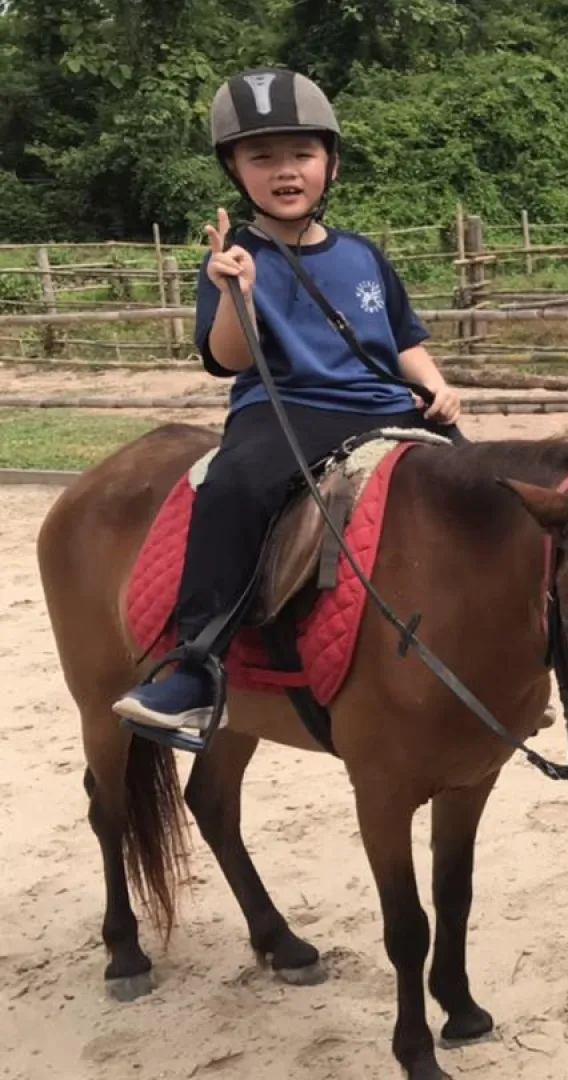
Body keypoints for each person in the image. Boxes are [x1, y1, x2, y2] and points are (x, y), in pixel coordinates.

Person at [113, 68, 464, 735]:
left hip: (384, 404)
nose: (284, 171)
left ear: (330, 164)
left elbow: (402, 338)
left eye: (301, 154)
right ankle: (194, 667)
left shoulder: (365, 256)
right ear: (235, 170)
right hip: (285, 409)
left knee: (486, 494)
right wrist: (237, 294)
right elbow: (229, 359)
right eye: (262, 157)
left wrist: (436, 384)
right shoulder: (234, 257)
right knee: (234, 487)